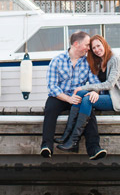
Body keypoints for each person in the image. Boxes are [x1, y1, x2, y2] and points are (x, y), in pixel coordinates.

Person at [56, 34, 120, 152]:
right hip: (103, 96)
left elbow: (109, 84)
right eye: (93, 48)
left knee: (86, 99)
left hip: (115, 99)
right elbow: (97, 83)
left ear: (104, 44)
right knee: (80, 94)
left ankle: (73, 140)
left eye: (98, 46)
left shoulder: (115, 59)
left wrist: (86, 88)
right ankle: (67, 135)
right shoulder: (99, 60)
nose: (97, 50)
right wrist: (95, 91)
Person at [41, 30, 107, 160]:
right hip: (61, 96)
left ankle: (94, 149)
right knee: (50, 107)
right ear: (76, 44)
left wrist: (94, 92)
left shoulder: (88, 62)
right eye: (87, 45)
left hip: (78, 97)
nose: (89, 48)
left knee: (88, 110)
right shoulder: (57, 61)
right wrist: (68, 99)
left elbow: (94, 82)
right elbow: (52, 87)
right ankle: (47, 146)